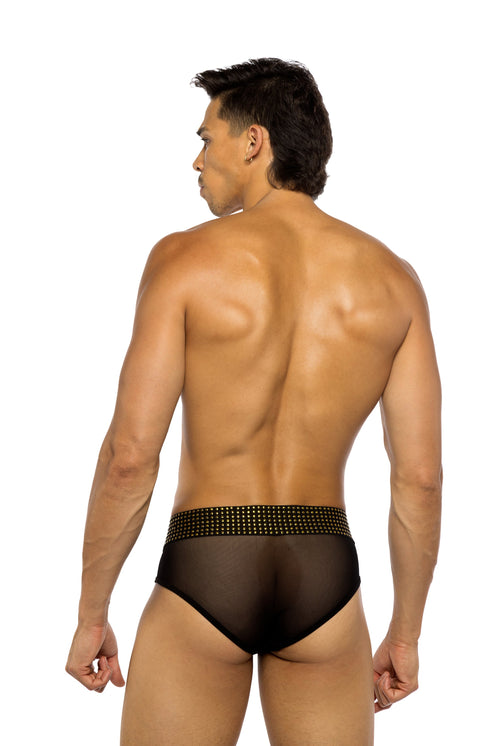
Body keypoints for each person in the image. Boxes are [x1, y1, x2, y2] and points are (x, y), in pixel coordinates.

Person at [66, 58, 442, 745]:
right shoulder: (394, 281)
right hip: (323, 572)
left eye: (206, 138)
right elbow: (418, 478)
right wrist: (406, 634)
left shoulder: (184, 260)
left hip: (208, 558)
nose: (196, 159)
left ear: (253, 141)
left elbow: (130, 456)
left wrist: (92, 612)